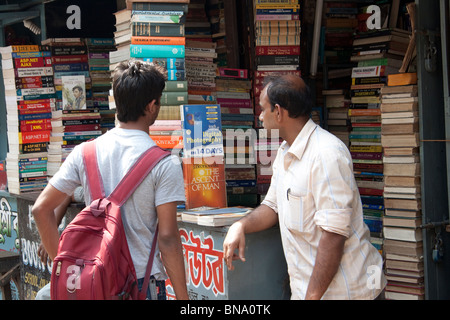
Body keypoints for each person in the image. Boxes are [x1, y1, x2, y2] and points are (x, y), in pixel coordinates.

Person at [32, 60, 189, 300]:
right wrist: (184, 298)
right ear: (151, 106)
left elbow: (41, 209)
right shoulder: (164, 164)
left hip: (93, 282)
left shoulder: (84, 152)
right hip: (140, 285)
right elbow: (167, 238)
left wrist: (62, 266)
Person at [223, 74, 386, 300]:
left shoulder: (326, 154)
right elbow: (272, 206)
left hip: (347, 294)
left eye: (263, 109)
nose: (260, 117)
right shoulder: (284, 152)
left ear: (278, 112)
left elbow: (334, 235)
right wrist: (240, 226)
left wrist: (312, 296)